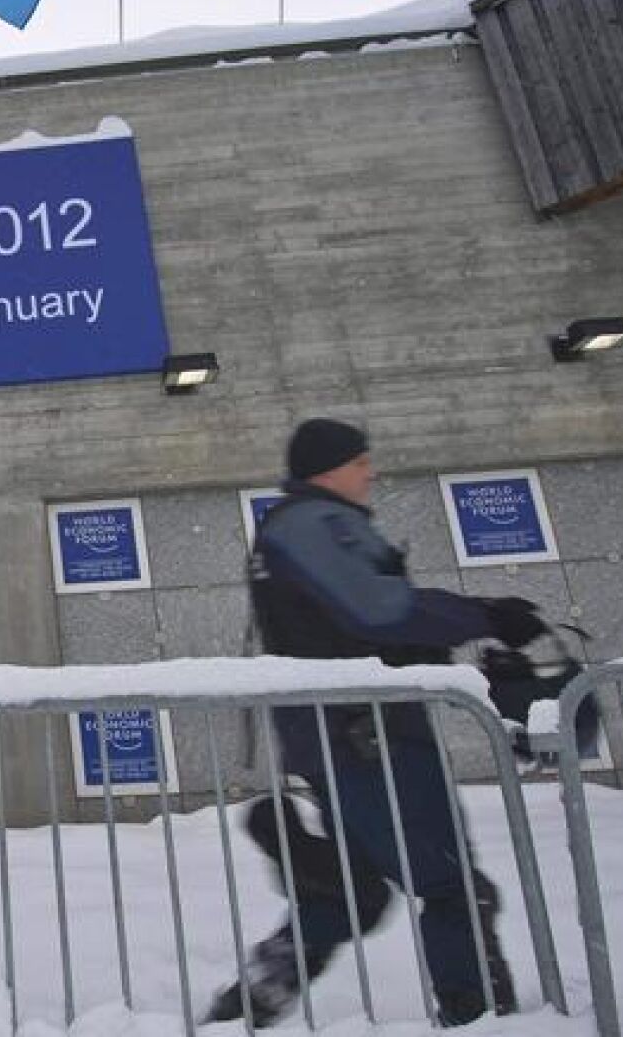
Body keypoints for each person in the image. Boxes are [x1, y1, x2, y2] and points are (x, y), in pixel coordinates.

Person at [209, 419, 548, 1028]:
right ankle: (480, 1020)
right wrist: (485, 614)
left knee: (352, 893)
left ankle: (245, 1008)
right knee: (455, 891)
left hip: (340, 734)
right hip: (369, 740)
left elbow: (349, 624)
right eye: (361, 461)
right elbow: (377, 610)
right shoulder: (311, 523)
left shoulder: (304, 526)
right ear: (328, 467)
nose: (372, 472)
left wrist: (442, 643)